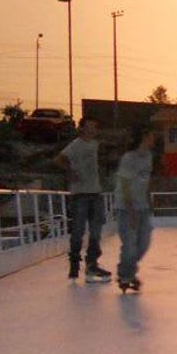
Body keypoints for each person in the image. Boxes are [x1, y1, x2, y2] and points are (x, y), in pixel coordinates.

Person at [55, 117, 110, 282]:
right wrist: (70, 172)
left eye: (95, 127)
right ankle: (74, 263)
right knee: (78, 230)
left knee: (96, 231)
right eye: (90, 127)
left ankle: (92, 264)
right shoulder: (75, 145)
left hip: (95, 193)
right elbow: (59, 159)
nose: (93, 130)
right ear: (82, 128)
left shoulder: (95, 144)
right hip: (80, 195)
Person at [114, 126, 156, 293]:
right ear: (145, 136)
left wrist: (149, 200)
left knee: (144, 243)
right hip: (126, 207)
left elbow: (146, 182)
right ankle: (125, 275)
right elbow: (124, 184)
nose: (154, 139)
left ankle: (128, 271)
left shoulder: (148, 157)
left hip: (143, 207)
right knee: (130, 245)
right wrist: (130, 209)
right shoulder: (129, 158)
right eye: (152, 135)